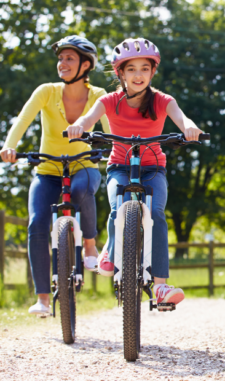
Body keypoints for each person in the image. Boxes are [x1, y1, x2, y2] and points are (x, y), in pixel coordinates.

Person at [65, 38, 204, 306]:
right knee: (118, 206)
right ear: (120, 73)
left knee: (157, 214)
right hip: (119, 166)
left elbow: (182, 118)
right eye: (131, 69)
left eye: (144, 68)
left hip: (153, 169)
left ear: (153, 72)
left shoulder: (163, 101)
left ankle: (161, 286)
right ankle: (112, 249)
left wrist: (190, 128)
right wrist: (79, 126)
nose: (138, 75)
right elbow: (88, 118)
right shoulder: (109, 101)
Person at [0, 36, 110, 315]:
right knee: (37, 223)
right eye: (60, 58)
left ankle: (89, 244)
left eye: (69, 58)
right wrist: (9, 146)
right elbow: (23, 119)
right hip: (48, 170)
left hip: (83, 165)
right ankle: (43, 299)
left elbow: (110, 133)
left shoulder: (98, 96)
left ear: (86, 64)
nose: (62, 63)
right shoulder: (46, 91)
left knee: (81, 191)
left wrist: (116, 152)